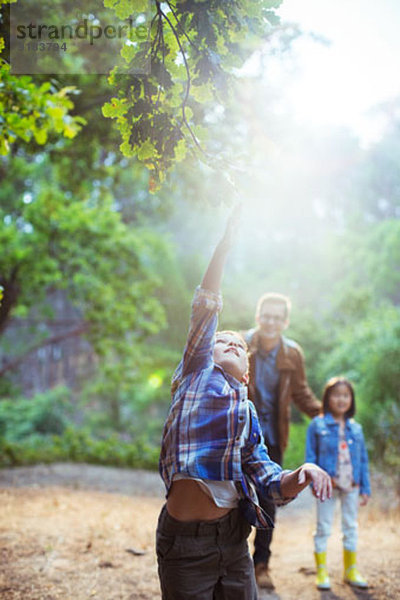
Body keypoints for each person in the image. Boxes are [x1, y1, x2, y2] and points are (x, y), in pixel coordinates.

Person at [156, 207, 332, 600]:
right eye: (222, 340)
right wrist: (223, 248)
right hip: (186, 545)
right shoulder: (196, 375)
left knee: (265, 488)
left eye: (237, 344)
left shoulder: (248, 406)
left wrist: (300, 473)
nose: (231, 341)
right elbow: (205, 307)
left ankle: (261, 561)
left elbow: (268, 478)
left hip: (234, 537)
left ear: (246, 375)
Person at [243, 292, 322, 589]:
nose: (271, 322)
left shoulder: (292, 353)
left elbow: (301, 392)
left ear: (285, 321)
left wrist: (324, 415)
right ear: (257, 316)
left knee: (268, 500)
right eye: (267, 315)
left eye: (278, 317)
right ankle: (228, 561)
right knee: (231, 496)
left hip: (272, 437)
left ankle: (261, 564)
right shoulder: (240, 343)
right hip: (238, 431)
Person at [305, 376, 371, 590]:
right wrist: (314, 483)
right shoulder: (318, 425)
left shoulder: (356, 428)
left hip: (351, 485)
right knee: (323, 527)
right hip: (327, 487)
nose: (341, 399)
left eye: (346, 395)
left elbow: (362, 460)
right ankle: (322, 571)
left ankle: (350, 570)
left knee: (351, 526)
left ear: (351, 400)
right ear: (327, 399)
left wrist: (365, 488)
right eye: (336, 395)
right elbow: (310, 458)